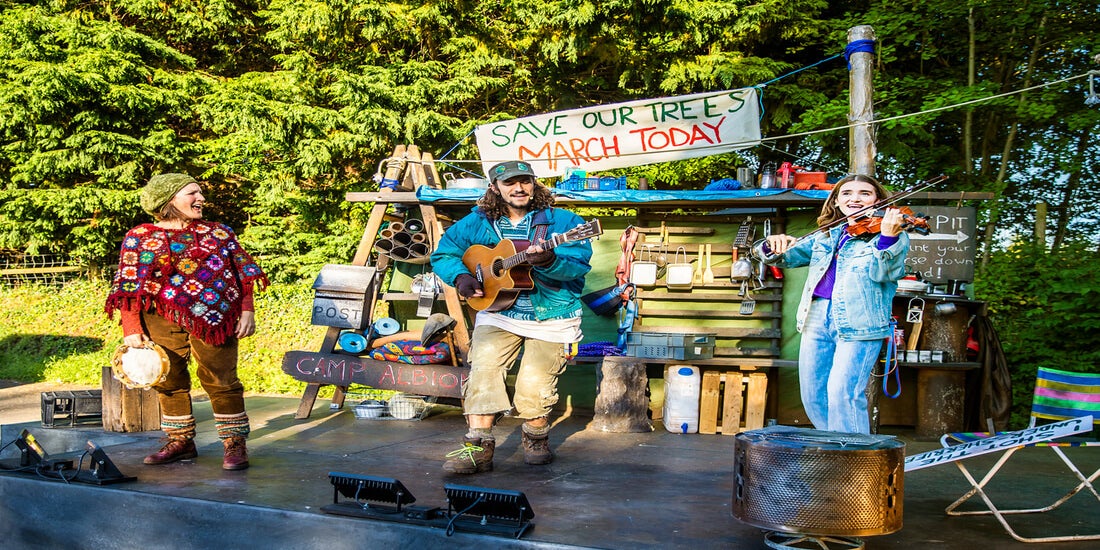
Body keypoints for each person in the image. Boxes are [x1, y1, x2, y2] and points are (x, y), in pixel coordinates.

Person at [430, 160, 592, 474]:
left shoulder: (564, 221)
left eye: (525, 181)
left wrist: (549, 260)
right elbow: (445, 253)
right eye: (509, 183)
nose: (519, 188)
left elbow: (578, 264)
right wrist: (461, 277)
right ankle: (477, 447)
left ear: (534, 183)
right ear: (495, 188)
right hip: (498, 311)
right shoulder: (478, 221)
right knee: (483, 372)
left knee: (534, 384)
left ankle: (535, 437)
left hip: (552, 314)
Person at [105, 173, 268, 470]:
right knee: (168, 378)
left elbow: (242, 273)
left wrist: (247, 310)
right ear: (168, 199)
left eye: (200, 192)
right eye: (192, 193)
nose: (201, 198)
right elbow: (129, 285)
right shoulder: (139, 236)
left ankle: (234, 442)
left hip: (215, 317)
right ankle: (180, 441)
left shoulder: (218, 233)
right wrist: (131, 327)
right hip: (160, 315)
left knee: (221, 378)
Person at [758, 174, 908, 434]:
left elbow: (884, 274)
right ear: (836, 201)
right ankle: (835, 448)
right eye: (847, 193)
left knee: (843, 394)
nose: (855, 199)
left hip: (859, 320)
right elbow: (784, 257)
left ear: (878, 201)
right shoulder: (827, 234)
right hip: (816, 316)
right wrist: (771, 245)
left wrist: (887, 238)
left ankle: (853, 455)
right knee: (813, 396)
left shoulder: (892, 234)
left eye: (865, 193)